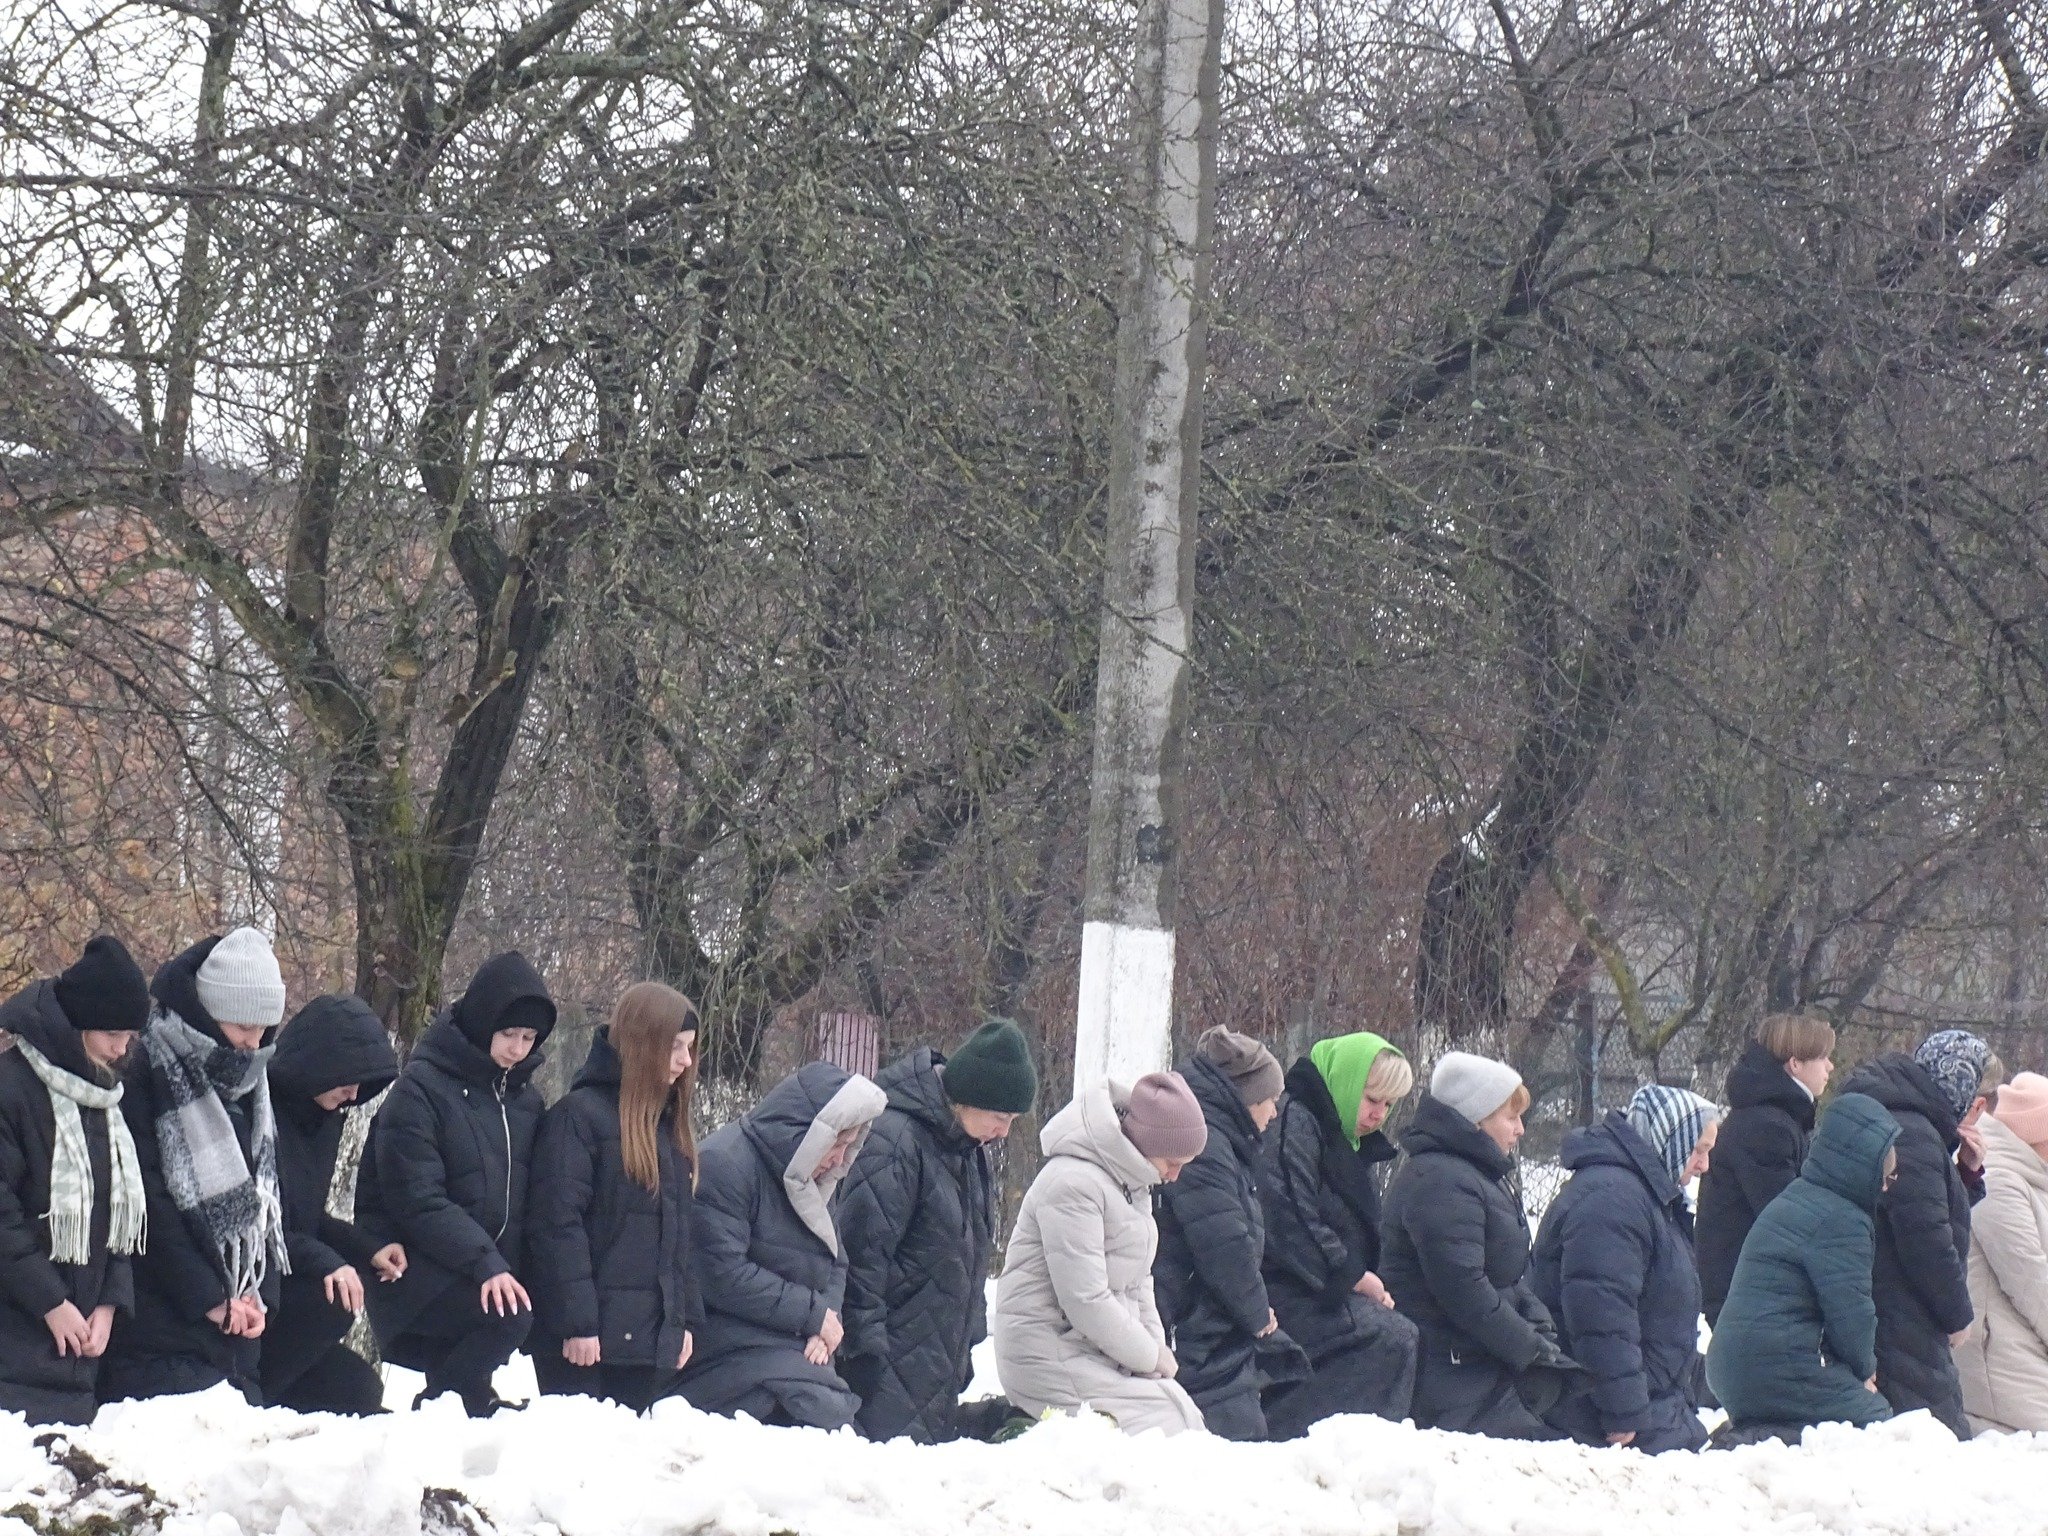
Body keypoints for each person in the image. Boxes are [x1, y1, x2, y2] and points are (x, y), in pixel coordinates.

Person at [355, 951, 555, 1416]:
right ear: (484, 1024)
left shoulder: (525, 1102)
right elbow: (417, 1198)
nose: (518, 1049)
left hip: (484, 1267)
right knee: (510, 1313)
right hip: (414, 1267)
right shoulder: (421, 1089)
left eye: (529, 1038)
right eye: (509, 1034)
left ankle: (467, 1396)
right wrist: (487, 1263)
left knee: (525, 1305)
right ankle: (439, 1403)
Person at [103, 929, 291, 1404]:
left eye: (264, 1029)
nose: (253, 1042)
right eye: (242, 1025)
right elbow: (147, 1198)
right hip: (159, 1328)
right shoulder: (147, 1065)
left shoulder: (255, 1083)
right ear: (208, 1011)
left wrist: (259, 1295)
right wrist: (208, 1297)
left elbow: (266, 1205)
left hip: (237, 1332)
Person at [838, 1017, 1037, 1443]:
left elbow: (969, 1251)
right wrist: (866, 1359)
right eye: (1000, 1117)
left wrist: (969, 1337)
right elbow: (860, 1260)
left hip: (932, 1363)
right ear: (968, 1098)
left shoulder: (967, 1148)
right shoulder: (895, 1141)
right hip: (884, 1368)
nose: (1005, 1132)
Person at [994, 1074, 1207, 1436]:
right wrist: (1149, 1356)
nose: (1175, 1175)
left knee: (1179, 1412)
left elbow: (1138, 1283)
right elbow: (1085, 1299)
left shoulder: (1131, 1183)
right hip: (1048, 1351)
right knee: (1168, 1427)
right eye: (1172, 1161)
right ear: (1145, 1144)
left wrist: (1154, 1353)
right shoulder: (1073, 1184)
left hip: (1093, 1349)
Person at [677, 1060, 887, 1429]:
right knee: (811, 1410)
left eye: (848, 1146)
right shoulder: (725, 1164)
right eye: (836, 1144)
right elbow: (722, 1274)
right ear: (809, 1134)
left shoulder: (813, 1179)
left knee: (833, 1415)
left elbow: (835, 1260)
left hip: (788, 1343)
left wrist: (827, 1320)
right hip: (725, 1346)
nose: (840, 1160)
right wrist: (812, 1314)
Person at [528, 983, 704, 1412]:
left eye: (689, 1047)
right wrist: (577, 1324)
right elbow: (556, 1228)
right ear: (644, 1044)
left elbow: (678, 1239)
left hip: (645, 1344)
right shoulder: (577, 1118)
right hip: (583, 1347)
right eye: (675, 1046)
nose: (685, 1061)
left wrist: (682, 1321)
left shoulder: (667, 1129)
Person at [1379, 1052, 1572, 1439]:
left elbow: (1506, 1273)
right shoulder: (1442, 1180)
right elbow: (1463, 1288)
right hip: (1449, 1374)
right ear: (1476, 1118)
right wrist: (1528, 1347)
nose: (1521, 1130)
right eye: (1511, 1117)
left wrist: (1537, 1325)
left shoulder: (1474, 1174)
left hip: (1476, 1362)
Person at [0, 938, 149, 1423]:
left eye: (130, 1035)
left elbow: (118, 1219)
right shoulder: (11, 1087)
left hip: (78, 1358)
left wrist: (109, 1303)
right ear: (78, 1024)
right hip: (14, 1348)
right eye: (112, 1033)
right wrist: (50, 1302)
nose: (122, 1048)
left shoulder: (104, 1099)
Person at [1531, 1085, 1719, 1453]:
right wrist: (1623, 1410)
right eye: (1698, 1150)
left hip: (1648, 1401)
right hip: (1602, 1416)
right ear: (1670, 1139)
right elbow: (1601, 1314)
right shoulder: (1614, 1199)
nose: (1704, 1165)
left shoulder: (1644, 1196)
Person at [1705, 1091, 1900, 1440]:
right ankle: (1740, 1446)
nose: (1885, 1188)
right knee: (1873, 1420)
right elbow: (1851, 1311)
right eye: (1886, 1176)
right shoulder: (1842, 1219)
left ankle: (1746, 1442)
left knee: (1806, 1420)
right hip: (1775, 1363)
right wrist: (1865, 1369)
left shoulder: (1799, 1195)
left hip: (1734, 1362)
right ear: (1864, 1168)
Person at [1836, 1030, 1998, 1438]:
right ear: (1967, 1095)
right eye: (1979, 1104)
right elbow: (1926, 1240)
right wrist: (1957, 1316)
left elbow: (1921, 1212)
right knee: (1932, 1440)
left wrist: (1964, 1174)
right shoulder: (1914, 1133)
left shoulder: (1903, 1118)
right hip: (1899, 1316)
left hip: (1884, 1306)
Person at [1257, 1030, 1420, 1437]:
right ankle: (1304, 1440)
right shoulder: (1295, 1122)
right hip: (1281, 1289)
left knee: (1398, 1332)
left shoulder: (1339, 1134)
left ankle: (1358, 1443)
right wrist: (1354, 1277)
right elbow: (1289, 1218)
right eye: (1372, 1099)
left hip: (1316, 1285)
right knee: (1392, 1338)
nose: (1379, 1114)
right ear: (1346, 1083)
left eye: (1388, 1105)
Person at [1151, 1027, 1298, 1440]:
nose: (1274, 1113)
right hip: (1194, 1326)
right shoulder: (1207, 1147)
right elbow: (1223, 1243)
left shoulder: (1220, 1140)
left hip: (1205, 1320)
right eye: (1270, 1100)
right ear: (1245, 1098)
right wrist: (1257, 1314)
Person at [261, 992, 399, 1414]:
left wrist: (367, 1248)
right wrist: (328, 1263)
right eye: (347, 1081)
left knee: (361, 1389)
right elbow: (267, 1223)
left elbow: (305, 1217)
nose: (353, 1093)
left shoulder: (324, 1119)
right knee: (332, 1300)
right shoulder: (262, 1111)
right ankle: (250, 1403)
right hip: (258, 1285)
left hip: (289, 1274)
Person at [1696, 1012, 1835, 1325]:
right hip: (1752, 1300)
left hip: (1753, 1294)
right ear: (1795, 1064)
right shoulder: (1767, 1127)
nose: (1830, 1067)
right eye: (1822, 1057)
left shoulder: (1777, 1119)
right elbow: (1789, 1220)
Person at [1952, 1072, 2048, 1433]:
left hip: (2021, 1340)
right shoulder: (2000, 1181)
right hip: (1998, 1354)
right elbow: (2030, 1280)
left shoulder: (2031, 1178)